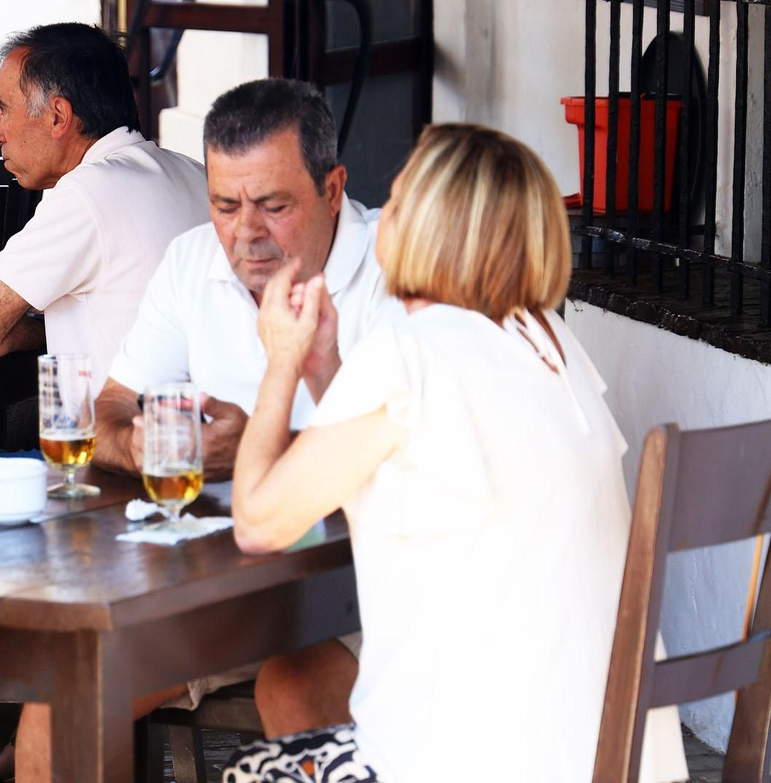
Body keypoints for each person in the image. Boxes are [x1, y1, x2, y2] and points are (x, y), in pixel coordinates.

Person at [220, 124, 686, 783]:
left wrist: (283, 363)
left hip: (471, 761)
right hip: (607, 757)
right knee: (295, 689)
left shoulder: (412, 349)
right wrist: (326, 365)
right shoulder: (549, 342)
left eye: (402, 200)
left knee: (254, 769)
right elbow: (400, 464)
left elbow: (260, 522)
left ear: (433, 227)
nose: (386, 212)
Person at [14, 79, 392, 781]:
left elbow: (386, 472)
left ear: (333, 189)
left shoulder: (387, 273)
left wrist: (256, 446)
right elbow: (106, 410)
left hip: (364, 592)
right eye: (225, 204)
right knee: (64, 696)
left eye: (274, 206)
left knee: (294, 689)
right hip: (227, 591)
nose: (245, 233)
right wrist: (157, 443)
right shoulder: (193, 260)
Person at [0, 23, 206, 393]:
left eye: (3, 110)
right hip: (196, 430)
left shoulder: (87, 191)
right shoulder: (195, 173)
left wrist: (21, 332)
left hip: (117, 442)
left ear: (58, 117)